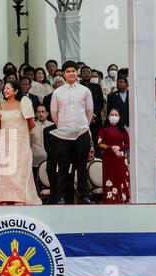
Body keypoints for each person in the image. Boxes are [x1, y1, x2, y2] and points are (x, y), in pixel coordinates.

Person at [0, 81, 42, 206]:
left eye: (8, 88)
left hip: (20, 143)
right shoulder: (0, 104)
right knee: (5, 171)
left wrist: (20, 135)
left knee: (19, 170)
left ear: (16, 90)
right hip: (5, 142)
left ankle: (19, 197)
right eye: (4, 88)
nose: (5, 90)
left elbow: (31, 123)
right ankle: (5, 197)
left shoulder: (23, 102)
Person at [50, 60, 94, 205]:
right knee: (63, 166)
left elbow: (89, 111)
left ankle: (84, 196)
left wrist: (82, 126)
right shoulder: (57, 92)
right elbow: (54, 113)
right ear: (63, 74)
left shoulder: (85, 90)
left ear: (77, 73)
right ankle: (61, 196)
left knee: (81, 166)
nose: (71, 73)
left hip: (81, 131)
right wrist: (64, 126)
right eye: (68, 71)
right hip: (63, 133)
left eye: (73, 71)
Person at [97, 108, 130, 204]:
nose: (114, 117)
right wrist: (111, 148)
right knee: (110, 180)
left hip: (120, 159)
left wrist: (119, 148)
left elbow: (128, 144)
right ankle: (109, 202)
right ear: (108, 117)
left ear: (119, 117)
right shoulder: (103, 129)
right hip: (108, 159)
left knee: (121, 180)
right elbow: (99, 143)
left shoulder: (123, 130)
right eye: (112, 115)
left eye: (116, 115)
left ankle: (123, 201)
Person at [80, 66, 105, 152]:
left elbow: (100, 103)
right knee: (83, 141)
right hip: (81, 118)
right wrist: (86, 116)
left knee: (96, 140)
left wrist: (93, 115)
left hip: (95, 118)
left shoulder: (97, 87)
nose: (87, 74)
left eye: (89, 72)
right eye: (84, 72)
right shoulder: (77, 87)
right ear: (80, 74)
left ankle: (96, 160)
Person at [30, 105, 54, 192]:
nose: (40, 114)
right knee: (37, 185)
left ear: (47, 113)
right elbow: (29, 144)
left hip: (50, 160)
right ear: (36, 114)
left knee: (51, 182)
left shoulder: (53, 126)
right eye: (38, 112)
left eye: (43, 112)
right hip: (35, 160)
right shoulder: (31, 126)